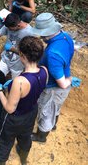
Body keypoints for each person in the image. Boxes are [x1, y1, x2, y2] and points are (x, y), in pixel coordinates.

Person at [0, 36, 48, 165]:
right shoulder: (44, 71)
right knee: (25, 136)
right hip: (31, 111)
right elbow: (36, 88)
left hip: (14, 118)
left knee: (4, 140)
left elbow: (10, 108)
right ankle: (23, 157)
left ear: (22, 56)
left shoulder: (19, 81)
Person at [31, 12, 82, 143]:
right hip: (62, 81)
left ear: (47, 32)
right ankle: (53, 125)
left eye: (42, 33)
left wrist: (70, 79)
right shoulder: (66, 36)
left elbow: (63, 84)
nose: (41, 36)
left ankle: (41, 137)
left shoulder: (53, 54)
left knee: (46, 112)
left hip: (54, 88)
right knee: (55, 108)